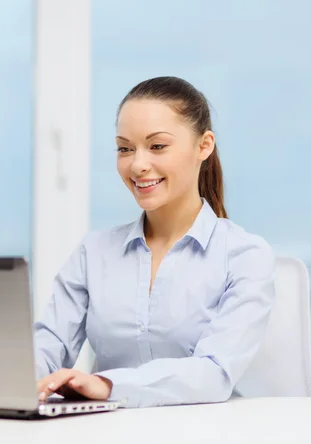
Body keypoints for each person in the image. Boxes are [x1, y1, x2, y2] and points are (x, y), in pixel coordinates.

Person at [34, 76, 276, 408]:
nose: (137, 164)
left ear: (203, 146)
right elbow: (49, 344)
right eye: (125, 148)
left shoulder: (244, 256)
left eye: (157, 146)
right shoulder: (94, 252)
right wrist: (16, 381)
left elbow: (214, 374)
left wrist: (107, 385)